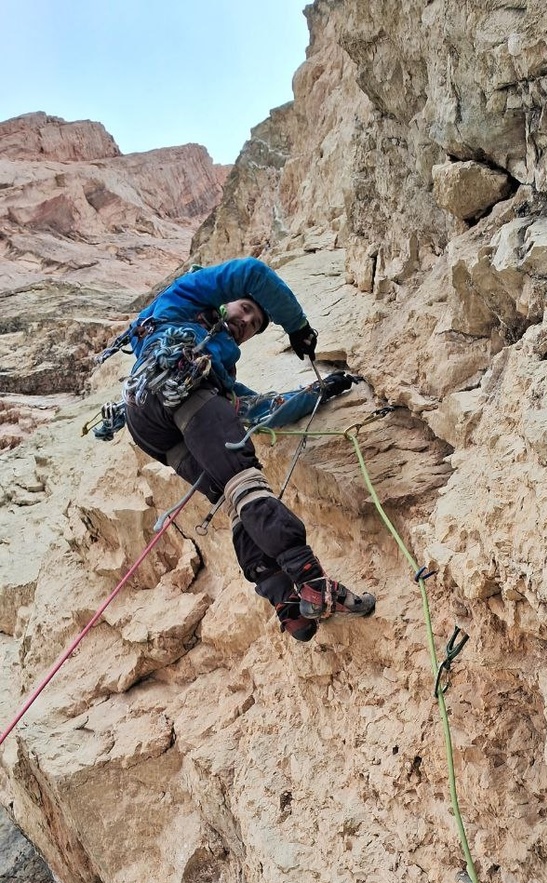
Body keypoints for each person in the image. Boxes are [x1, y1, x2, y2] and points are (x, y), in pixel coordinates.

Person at [118, 257, 376, 642]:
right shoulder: (183, 301)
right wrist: (299, 327)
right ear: (225, 301)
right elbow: (253, 272)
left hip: (150, 424)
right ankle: (311, 582)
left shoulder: (218, 375)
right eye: (246, 309)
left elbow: (261, 411)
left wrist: (318, 392)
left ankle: (288, 604)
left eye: (255, 325)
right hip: (174, 386)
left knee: (237, 498)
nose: (247, 322)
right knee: (246, 478)